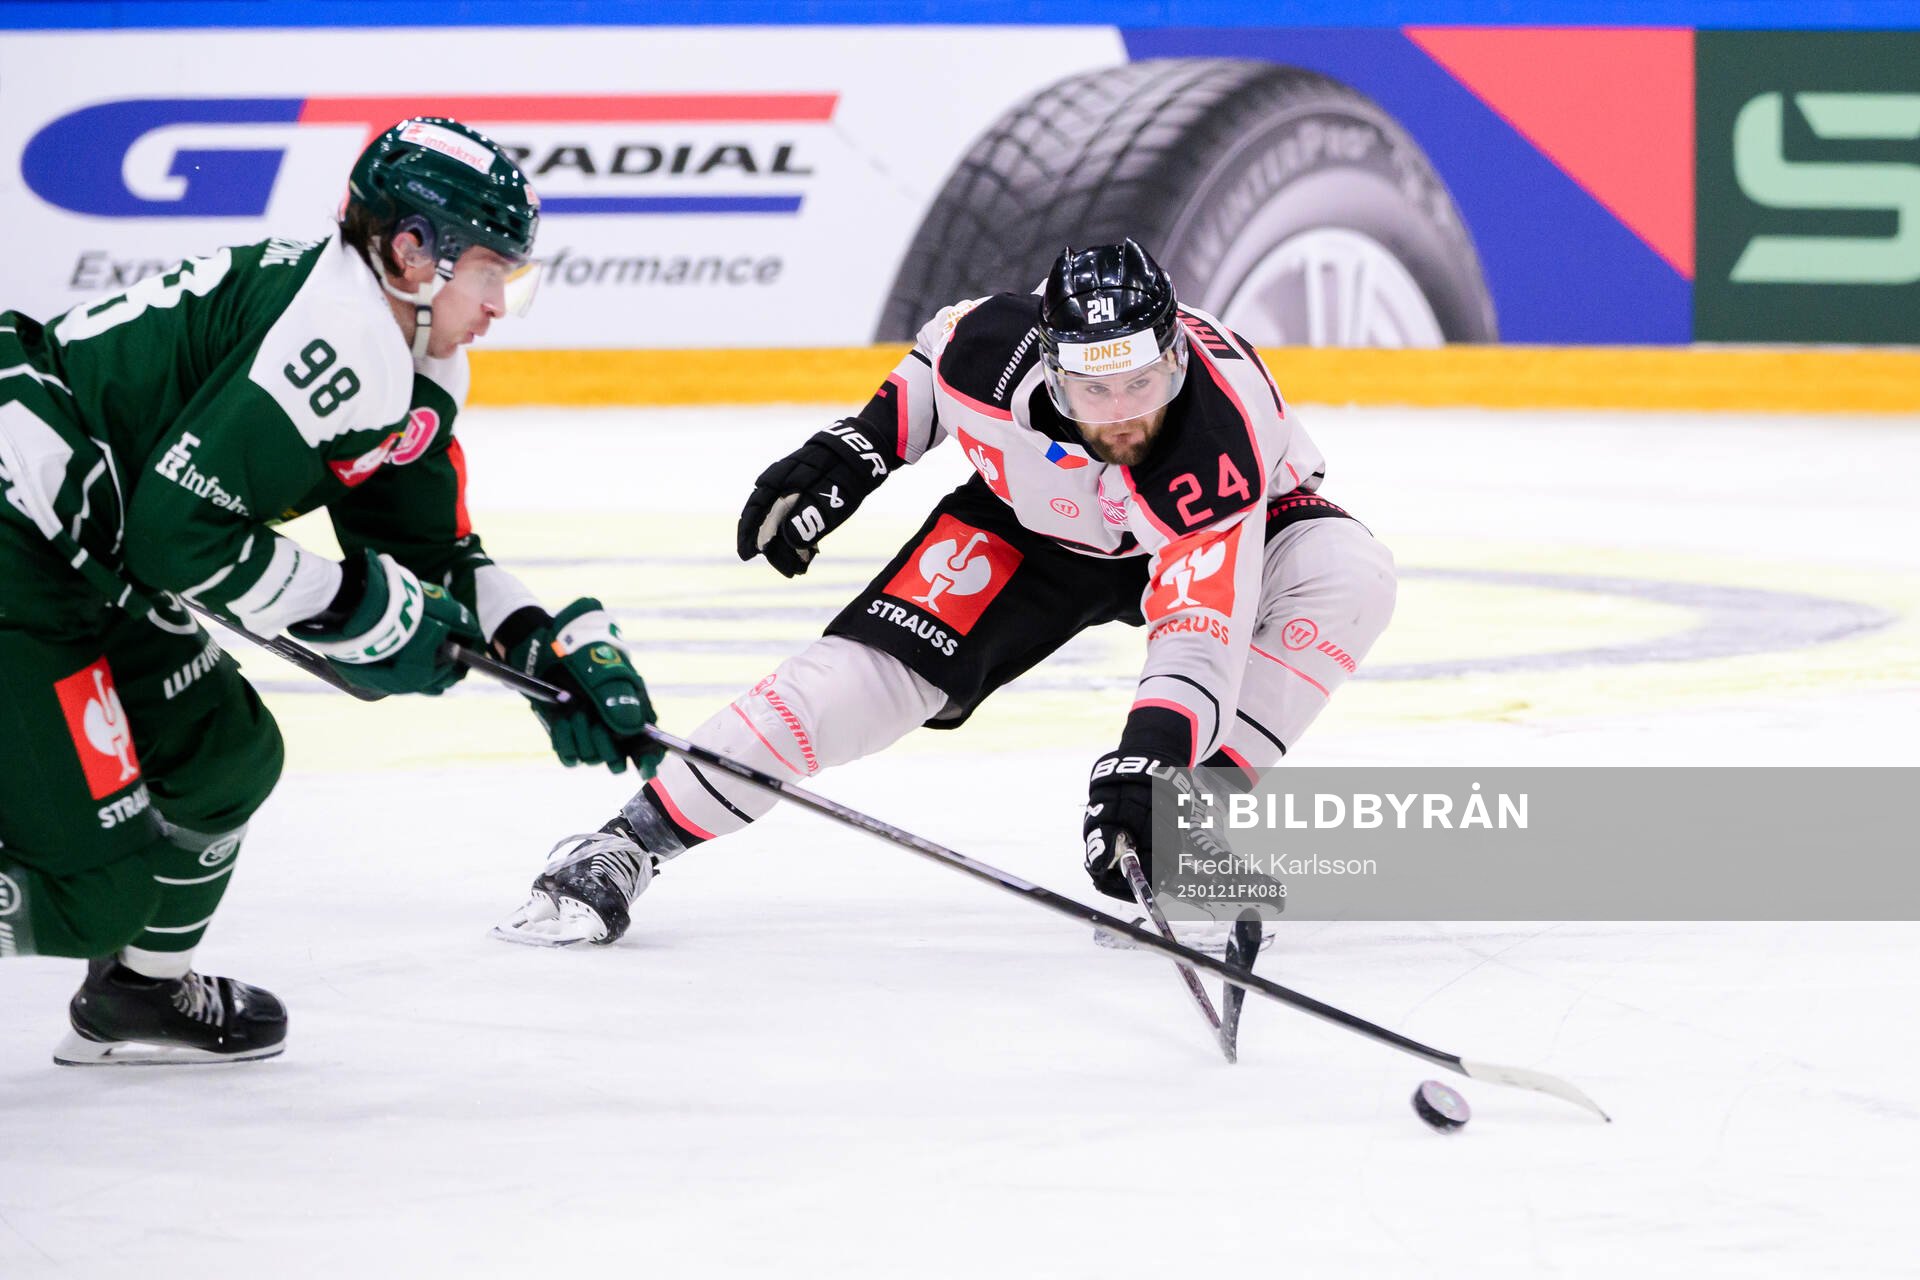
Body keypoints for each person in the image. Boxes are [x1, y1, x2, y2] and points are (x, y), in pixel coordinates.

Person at [495, 239, 1394, 948]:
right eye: (1093, 388)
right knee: (841, 690)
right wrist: (855, 451)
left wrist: (1150, 765)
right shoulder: (991, 343)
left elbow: (1199, 632)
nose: (1123, 413)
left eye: (1145, 383)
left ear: (1177, 362)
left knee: (1348, 575)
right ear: (1050, 366)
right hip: (1024, 528)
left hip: (1239, 528)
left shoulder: (1215, 437)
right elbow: (933, 370)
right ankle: (629, 842)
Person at [0, 117, 661, 1065]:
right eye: (489, 271)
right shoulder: (340, 332)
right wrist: (357, 613)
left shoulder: (410, 355)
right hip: (22, 519)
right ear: (412, 252)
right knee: (88, 892)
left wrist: (544, 647)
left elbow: (428, 549)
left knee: (222, 754)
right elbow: (180, 532)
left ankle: (136, 996)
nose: (500, 304)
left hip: (81, 535)